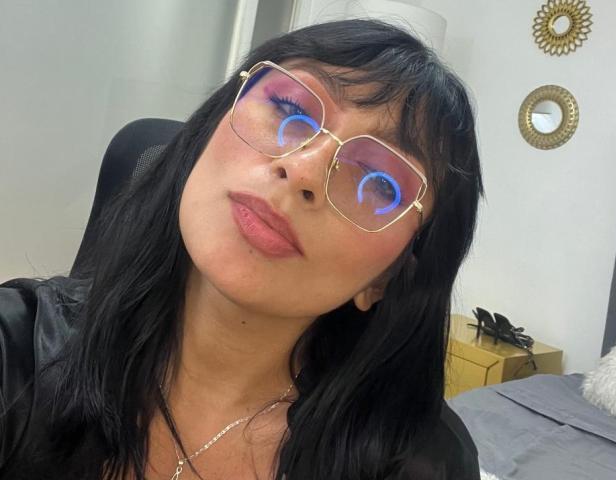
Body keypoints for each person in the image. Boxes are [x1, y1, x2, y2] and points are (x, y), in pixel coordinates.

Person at [0, 18, 483, 480]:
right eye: (290, 109)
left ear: (388, 276)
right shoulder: (18, 349)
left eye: (378, 180)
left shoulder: (421, 463)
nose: (303, 169)